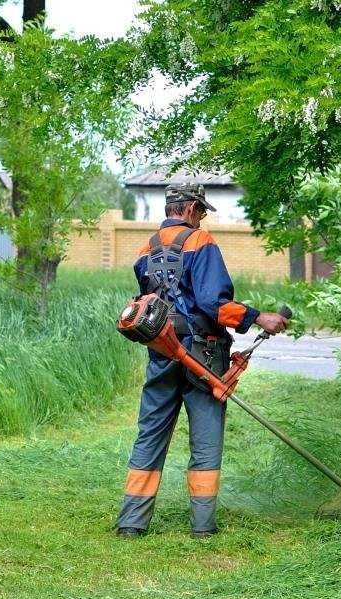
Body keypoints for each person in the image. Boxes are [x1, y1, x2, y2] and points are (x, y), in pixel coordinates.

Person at [115, 182, 289, 539]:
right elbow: (214, 303)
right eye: (202, 212)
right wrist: (259, 318)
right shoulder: (201, 242)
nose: (202, 219)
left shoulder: (144, 249)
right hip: (204, 356)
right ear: (192, 208)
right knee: (206, 438)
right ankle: (202, 526)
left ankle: (131, 522)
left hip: (162, 351)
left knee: (150, 433)